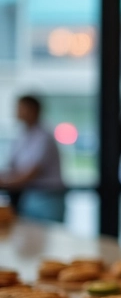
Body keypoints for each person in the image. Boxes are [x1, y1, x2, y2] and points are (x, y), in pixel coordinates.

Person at [0, 94, 66, 223]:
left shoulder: (44, 137)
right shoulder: (22, 135)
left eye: (21, 108)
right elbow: (13, 168)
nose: (17, 112)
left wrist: (4, 183)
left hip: (48, 198)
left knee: (47, 233)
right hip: (29, 196)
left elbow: (30, 173)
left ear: (34, 110)